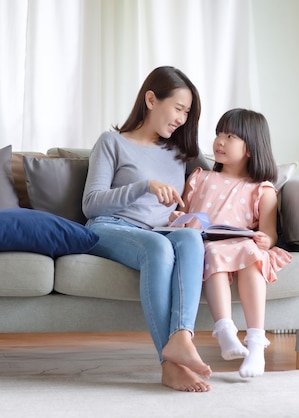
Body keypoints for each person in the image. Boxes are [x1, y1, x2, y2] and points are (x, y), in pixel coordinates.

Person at [82, 66, 212, 392]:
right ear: (151, 99)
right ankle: (169, 363)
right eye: (179, 108)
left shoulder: (180, 153)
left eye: (188, 113)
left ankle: (182, 335)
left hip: (158, 231)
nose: (182, 119)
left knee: (190, 238)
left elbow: (223, 183)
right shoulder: (111, 142)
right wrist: (144, 187)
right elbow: (91, 204)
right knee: (158, 248)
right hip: (109, 227)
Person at [170, 108, 292, 378]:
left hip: (241, 244)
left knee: (252, 254)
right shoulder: (200, 178)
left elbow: (270, 234)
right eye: (218, 134)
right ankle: (225, 331)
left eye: (230, 136)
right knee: (212, 252)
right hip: (208, 244)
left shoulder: (262, 189)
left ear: (250, 148)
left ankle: (256, 343)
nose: (220, 142)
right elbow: (184, 213)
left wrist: (265, 239)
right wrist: (179, 217)